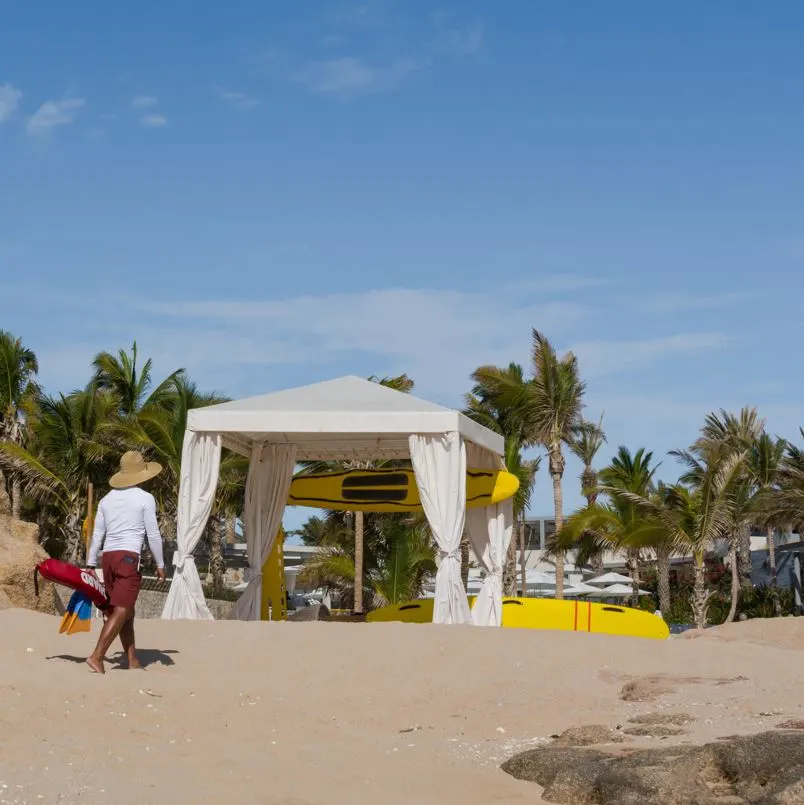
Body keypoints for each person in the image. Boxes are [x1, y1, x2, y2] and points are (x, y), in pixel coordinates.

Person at [85, 450, 166, 674]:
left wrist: (91, 564)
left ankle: (132, 660)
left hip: (108, 558)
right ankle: (97, 656)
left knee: (126, 610)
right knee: (121, 609)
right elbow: (153, 534)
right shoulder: (145, 499)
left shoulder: (106, 500)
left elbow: (97, 534)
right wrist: (160, 564)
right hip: (128, 558)